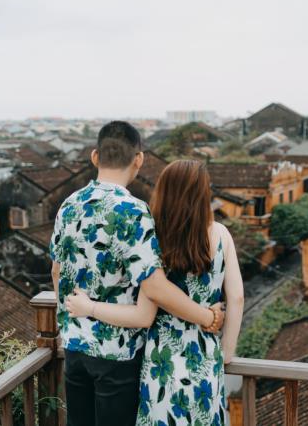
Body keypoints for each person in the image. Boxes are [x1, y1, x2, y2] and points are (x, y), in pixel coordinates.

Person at [50, 122, 225, 426]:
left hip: (75, 348)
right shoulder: (133, 211)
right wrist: (206, 316)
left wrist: (74, 317)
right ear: (139, 159)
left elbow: (56, 271)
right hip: (117, 355)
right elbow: (154, 287)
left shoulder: (69, 205)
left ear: (95, 156)